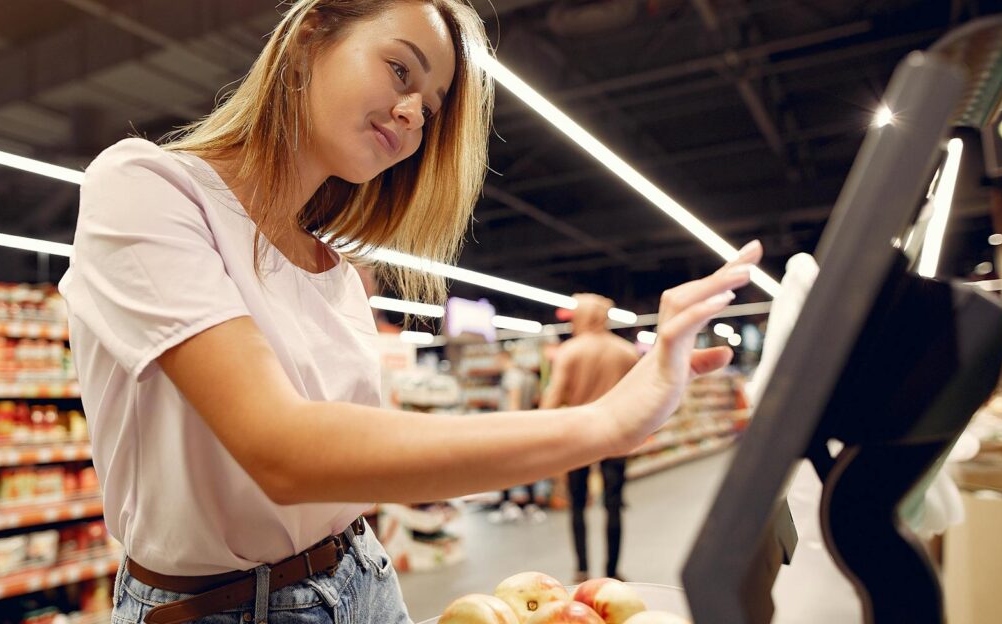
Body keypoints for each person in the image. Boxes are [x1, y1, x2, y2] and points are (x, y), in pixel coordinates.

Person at [58, 0, 764, 621]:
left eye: (429, 108)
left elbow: (354, 449)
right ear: (310, 36)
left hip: (362, 576)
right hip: (219, 608)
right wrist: (603, 422)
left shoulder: (336, 273)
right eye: (401, 71)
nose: (412, 113)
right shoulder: (146, 188)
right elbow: (281, 450)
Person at [538, 293, 638, 583]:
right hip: (617, 437)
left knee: (578, 505)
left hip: (578, 438)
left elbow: (552, 400)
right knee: (614, 504)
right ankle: (612, 571)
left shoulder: (570, 351)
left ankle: (581, 570)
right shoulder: (626, 352)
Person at [490, 349, 547, 524]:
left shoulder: (511, 376)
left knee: (504, 467)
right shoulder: (526, 375)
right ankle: (530, 504)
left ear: (502, 358)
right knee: (527, 466)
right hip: (524, 426)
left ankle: (508, 505)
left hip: (511, 427)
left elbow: (513, 402)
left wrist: (508, 428)